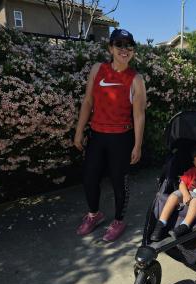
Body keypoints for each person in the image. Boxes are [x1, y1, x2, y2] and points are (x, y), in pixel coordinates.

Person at [74, 28, 147, 242]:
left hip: (121, 139)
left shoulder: (136, 79)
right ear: (111, 48)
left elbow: (139, 115)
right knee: (89, 178)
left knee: (118, 182)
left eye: (128, 46)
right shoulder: (98, 70)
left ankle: (118, 220)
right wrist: (79, 131)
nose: (124, 50)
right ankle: (94, 214)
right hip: (97, 135)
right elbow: (88, 102)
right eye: (119, 45)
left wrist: (138, 145)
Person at [150, 146, 196, 241]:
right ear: (195, 164)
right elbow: (182, 183)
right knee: (173, 196)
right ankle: (161, 223)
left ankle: (184, 226)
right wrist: (185, 194)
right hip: (188, 192)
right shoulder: (192, 172)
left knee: (195, 201)